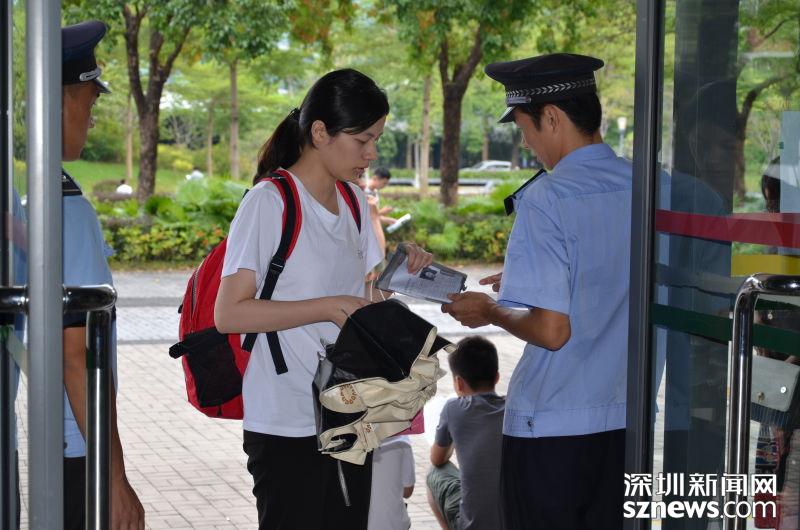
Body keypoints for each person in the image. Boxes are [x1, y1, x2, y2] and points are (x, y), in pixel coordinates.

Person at [213, 68, 433, 530]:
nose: (372, 154)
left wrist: (396, 276)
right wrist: (326, 307)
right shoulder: (270, 201)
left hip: (350, 410)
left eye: (376, 140)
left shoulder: (353, 202)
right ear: (319, 133)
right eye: (363, 140)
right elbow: (229, 312)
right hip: (286, 417)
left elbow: (360, 301)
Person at [441, 53, 632, 530]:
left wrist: (490, 311)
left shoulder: (548, 197)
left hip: (551, 428)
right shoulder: (649, 186)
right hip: (627, 420)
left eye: (525, 128)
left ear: (551, 118)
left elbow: (551, 331)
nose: (526, 142)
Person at [60, 20, 145, 529]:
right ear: (61, 101)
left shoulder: (36, 194)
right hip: (77, 446)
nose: (92, 120)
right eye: (89, 104)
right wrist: (113, 482)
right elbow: (77, 356)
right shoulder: (65, 206)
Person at [426, 336, 505, 530]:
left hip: (473, 524)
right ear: (497, 377)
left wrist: (458, 435)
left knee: (433, 473)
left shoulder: (453, 409)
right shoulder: (513, 407)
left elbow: (437, 459)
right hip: (515, 519)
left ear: (458, 383)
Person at [367, 435, 415, 530]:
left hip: (360, 522)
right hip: (395, 523)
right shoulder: (403, 442)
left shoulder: (348, 445)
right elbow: (407, 492)